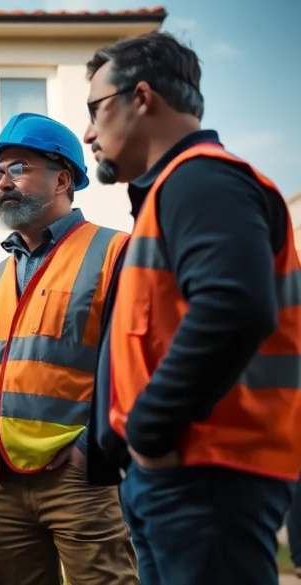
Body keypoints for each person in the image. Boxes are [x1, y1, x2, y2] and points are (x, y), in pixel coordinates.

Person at [83, 31, 301, 585]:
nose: (88, 132)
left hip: (205, 472)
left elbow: (234, 308)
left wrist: (149, 433)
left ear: (142, 97)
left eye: (95, 109)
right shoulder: (177, 190)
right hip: (179, 473)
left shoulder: (204, 180)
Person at [0, 112, 138, 585]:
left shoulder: (116, 253)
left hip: (78, 480)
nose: (3, 182)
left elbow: (137, 365)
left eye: (18, 169)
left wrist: (90, 448)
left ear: (61, 180)